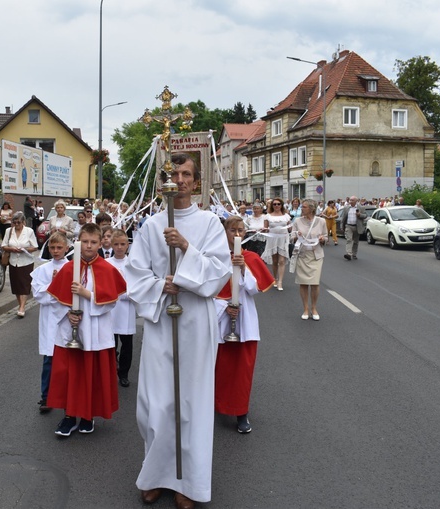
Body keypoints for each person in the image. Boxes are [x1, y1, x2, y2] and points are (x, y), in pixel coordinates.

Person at [123, 152, 230, 509]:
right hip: (160, 323)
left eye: (187, 174)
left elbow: (219, 272)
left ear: (196, 182)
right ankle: (154, 475)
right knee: (155, 404)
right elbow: (135, 275)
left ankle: (189, 483)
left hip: (196, 322)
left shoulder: (210, 223)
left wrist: (185, 248)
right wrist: (161, 287)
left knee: (191, 404)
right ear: (164, 181)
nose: (180, 180)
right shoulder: (151, 226)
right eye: (174, 174)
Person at [46, 222, 127, 436]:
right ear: (78, 242)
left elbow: (110, 302)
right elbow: (55, 300)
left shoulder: (107, 269)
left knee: (91, 374)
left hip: (95, 330)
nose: (89, 246)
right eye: (85, 242)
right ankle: (69, 415)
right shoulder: (68, 267)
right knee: (70, 373)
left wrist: (86, 294)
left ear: (101, 243)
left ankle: (88, 416)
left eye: (93, 242)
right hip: (70, 329)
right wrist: (69, 314)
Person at [214, 216, 274, 434]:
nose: (237, 234)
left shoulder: (250, 257)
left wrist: (243, 269)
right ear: (225, 232)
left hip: (244, 319)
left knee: (242, 370)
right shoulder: (214, 258)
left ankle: (241, 412)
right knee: (216, 367)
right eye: (232, 230)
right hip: (218, 318)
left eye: (241, 230)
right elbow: (205, 289)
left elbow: (254, 289)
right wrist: (223, 308)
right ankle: (214, 406)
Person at [30, 232, 69, 414]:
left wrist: (58, 287)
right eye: (52, 247)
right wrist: (54, 284)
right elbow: (38, 294)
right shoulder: (43, 270)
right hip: (49, 318)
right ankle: (46, 396)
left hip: (67, 318)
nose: (55, 251)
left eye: (59, 247)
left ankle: (67, 394)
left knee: (67, 359)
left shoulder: (72, 268)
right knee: (49, 359)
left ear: (66, 248)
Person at [105, 229, 135, 387]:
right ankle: (110, 372)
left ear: (128, 245)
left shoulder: (133, 263)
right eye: (116, 244)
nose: (119, 247)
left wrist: (126, 294)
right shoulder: (107, 264)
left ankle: (124, 373)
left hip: (127, 309)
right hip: (110, 309)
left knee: (127, 344)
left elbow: (136, 285)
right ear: (111, 245)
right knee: (111, 343)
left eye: (123, 244)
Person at [292, 199, 328, 320]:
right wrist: (297, 236)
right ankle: (305, 309)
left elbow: (326, 237)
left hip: (316, 255)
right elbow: (292, 236)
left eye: (304, 207)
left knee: (315, 283)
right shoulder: (297, 221)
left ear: (312, 209)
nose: (302, 208)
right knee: (303, 283)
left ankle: (314, 308)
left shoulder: (321, 221)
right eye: (302, 207)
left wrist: (323, 239)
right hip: (302, 255)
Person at [2, 212, 38, 317]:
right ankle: (20, 305)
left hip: (26, 262)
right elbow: (3, 246)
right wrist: (11, 249)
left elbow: (35, 247)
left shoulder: (29, 231)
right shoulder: (8, 231)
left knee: (25, 285)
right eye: (14, 222)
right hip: (13, 262)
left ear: (23, 222)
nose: (16, 224)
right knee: (16, 285)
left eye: (18, 222)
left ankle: (22, 307)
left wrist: (24, 250)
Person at [262, 198, 291, 291]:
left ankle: (280, 282)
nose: (276, 206)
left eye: (278, 204)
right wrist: (263, 230)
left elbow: (290, 228)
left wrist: (294, 231)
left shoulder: (286, 216)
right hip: (272, 239)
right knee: (275, 261)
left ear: (281, 205)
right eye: (274, 204)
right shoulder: (268, 216)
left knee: (281, 261)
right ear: (272, 206)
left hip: (283, 239)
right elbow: (266, 228)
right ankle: (275, 278)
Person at [341, 196, 366, 261]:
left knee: (355, 241)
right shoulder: (346, 208)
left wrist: (359, 215)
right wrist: (342, 226)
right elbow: (343, 218)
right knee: (349, 240)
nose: (350, 201)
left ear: (356, 201)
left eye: (352, 200)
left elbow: (365, 215)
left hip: (357, 226)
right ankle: (349, 254)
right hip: (348, 226)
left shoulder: (361, 208)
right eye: (350, 200)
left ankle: (354, 254)